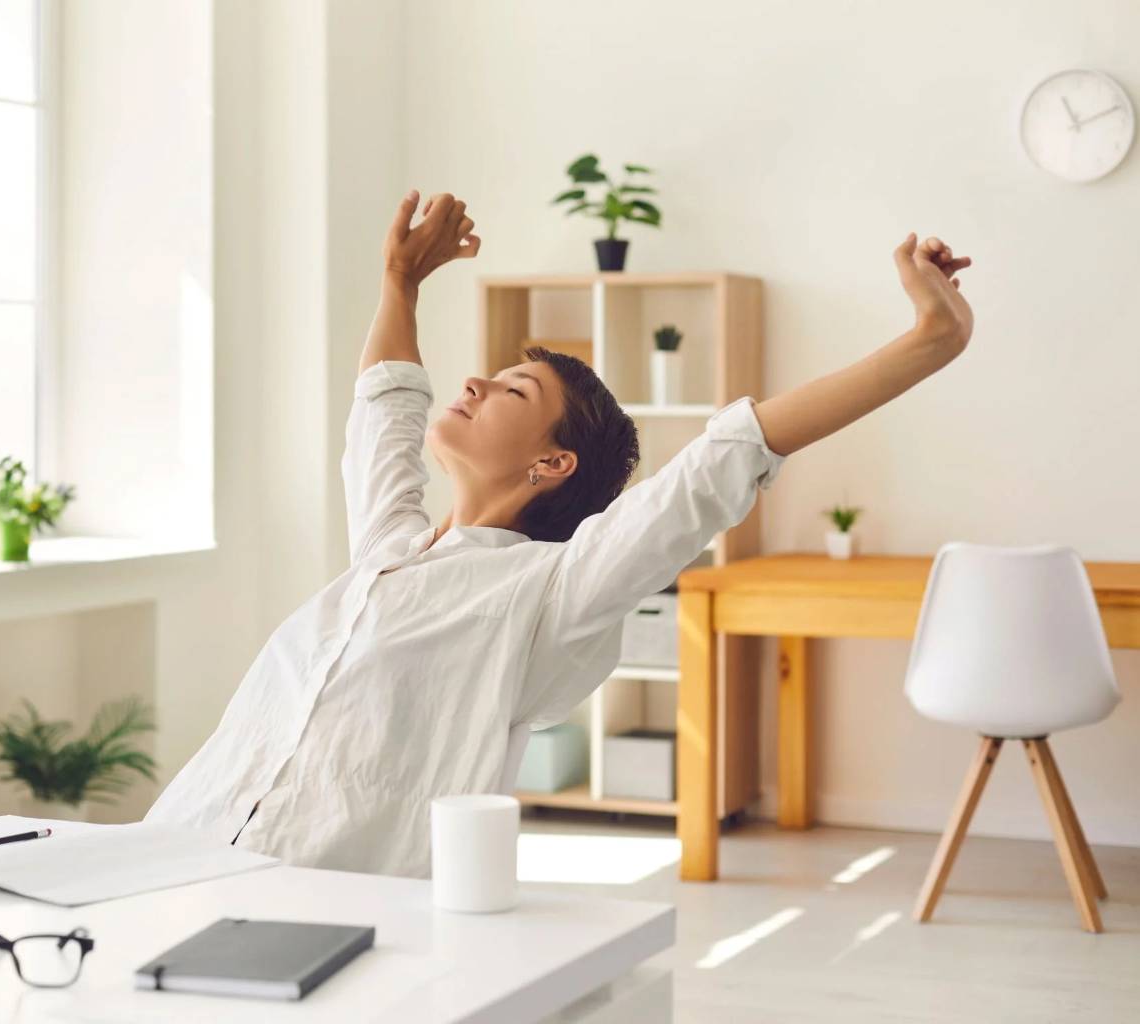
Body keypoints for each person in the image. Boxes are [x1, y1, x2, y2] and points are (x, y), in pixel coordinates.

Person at [146, 190, 974, 877]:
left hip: (315, 907)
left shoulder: (551, 592)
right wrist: (400, 282)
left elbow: (726, 456)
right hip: (173, 850)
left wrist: (929, 342)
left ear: (552, 462)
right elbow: (385, 409)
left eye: (510, 390)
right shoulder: (389, 552)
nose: (474, 380)